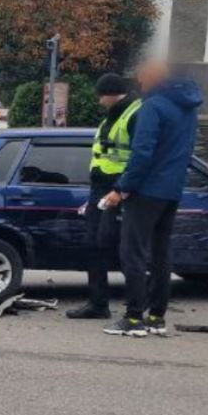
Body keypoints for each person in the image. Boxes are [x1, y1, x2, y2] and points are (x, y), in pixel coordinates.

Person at [101, 61, 202, 337]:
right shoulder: (189, 109)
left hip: (146, 191)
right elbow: (187, 151)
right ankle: (157, 316)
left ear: (153, 80)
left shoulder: (153, 107)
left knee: (132, 252)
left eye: (141, 80)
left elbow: (142, 153)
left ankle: (134, 318)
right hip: (172, 191)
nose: (139, 85)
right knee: (160, 253)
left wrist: (121, 188)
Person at [66, 73, 141, 320]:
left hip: (120, 191)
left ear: (111, 94)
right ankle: (98, 304)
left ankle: (135, 310)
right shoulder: (111, 116)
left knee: (121, 249)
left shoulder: (134, 114)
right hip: (100, 190)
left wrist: (120, 190)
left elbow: (139, 157)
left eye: (101, 96)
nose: (99, 101)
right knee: (94, 245)